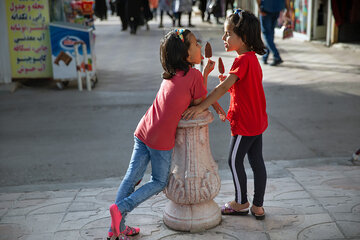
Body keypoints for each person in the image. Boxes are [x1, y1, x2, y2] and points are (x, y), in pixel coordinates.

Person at [107, 29, 215, 240]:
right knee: (159, 182)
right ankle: (120, 209)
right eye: (195, 44)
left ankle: (115, 228)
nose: (199, 46)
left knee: (131, 178)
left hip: (143, 131)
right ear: (185, 54)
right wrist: (205, 74)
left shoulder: (172, 73)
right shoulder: (192, 75)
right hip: (160, 140)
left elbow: (188, 96)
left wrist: (203, 73)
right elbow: (199, 102)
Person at [182, 9, 268, 220]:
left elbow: (220, 89)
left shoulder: (242, 61)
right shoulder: (252, 59)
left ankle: (241, 202)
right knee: (257, 163)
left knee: (234, 161)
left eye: (228, 33)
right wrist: (228, 83)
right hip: (257, 123)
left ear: (244, 37)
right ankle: (258, 206)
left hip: (245, 124)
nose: (223, 38)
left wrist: (201, 107)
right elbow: (243, 89)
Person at [257, 0, 290, 66]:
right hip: (277, 9)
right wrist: (288, 10)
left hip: (266, 9)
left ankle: (276, 56)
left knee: (266, 34)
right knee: (270, 34)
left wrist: (259, 7)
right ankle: (265, 56)